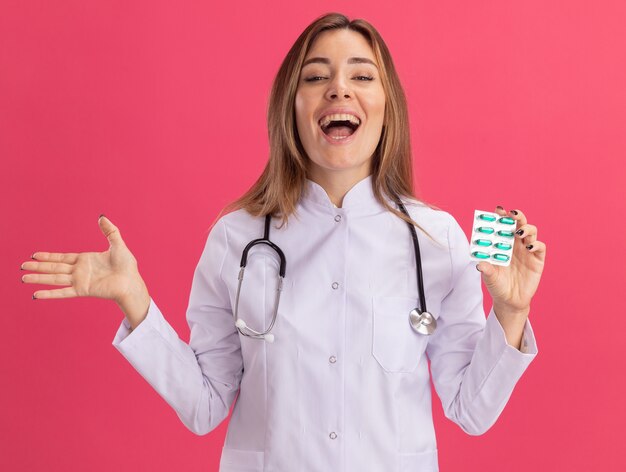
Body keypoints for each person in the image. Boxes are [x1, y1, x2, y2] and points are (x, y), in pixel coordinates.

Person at [20, 12, 546, 471]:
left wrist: (512, 311)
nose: (339, 89)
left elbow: (470, 410)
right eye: (316, 77)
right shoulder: (237, 237)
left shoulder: (439, 240)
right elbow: (204, 406)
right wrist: (136, 303)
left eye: (362, 75)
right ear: (290, 107)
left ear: (389, 108)